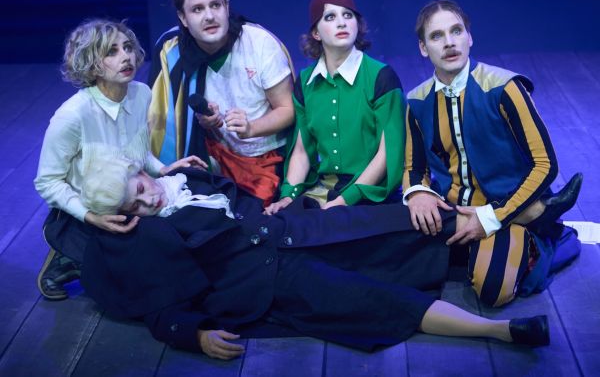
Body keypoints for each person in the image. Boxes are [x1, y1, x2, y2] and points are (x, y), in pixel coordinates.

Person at [79, 159, 550, 360]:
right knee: (371, 299)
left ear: (142, 172)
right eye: (134, 205)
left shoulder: (188, 179)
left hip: (294, 230)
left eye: (141, 188)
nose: (148, 201)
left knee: (395, 224)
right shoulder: (150, 234)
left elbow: (244, 203)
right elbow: (160, 304)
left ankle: (525, 217)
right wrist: (195, 336)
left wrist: (277, 206)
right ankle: (501, 330)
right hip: (271, 278)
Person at [403, 0, 582, 306]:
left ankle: (546, 235)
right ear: (423, 47)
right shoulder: (417, 101)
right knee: (399, 267)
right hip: (453, 212)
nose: (449, 42)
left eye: (456, 31)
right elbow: (414, 167)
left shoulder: (504, 87)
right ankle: (535, 216)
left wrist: (493, 216)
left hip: (504, 209)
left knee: (493, 289)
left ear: (469, 37)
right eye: (436, 36)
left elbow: (545, 164)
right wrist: (418, 193)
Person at [34, 19, 206, 300]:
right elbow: (47, 182)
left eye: (127, 47)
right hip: (90, 205)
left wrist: (163, 169)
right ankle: (68, 252)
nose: (126, 57)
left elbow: (137, 151)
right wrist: (90, 216)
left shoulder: (141, 94)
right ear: (91, 64)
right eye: (111, 52)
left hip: (132, 196)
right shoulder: (72, 115)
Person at [148, 0, 295, 205]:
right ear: (183, 18)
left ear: (226, 7)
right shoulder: (174, 53)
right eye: (197, 9)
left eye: (215, 5)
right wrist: (207, 123)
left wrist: (252, 128)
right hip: (211, 155)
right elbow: (171, 124)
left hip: (265, 159)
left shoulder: (259, 43)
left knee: (250, 215)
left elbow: (288, 109)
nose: (209, 16)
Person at [265, 0, 405, 215]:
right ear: (316, 33)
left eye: (348, 15)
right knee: (276, 224)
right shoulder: (306, 81)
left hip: (369, 192)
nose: (342, 23)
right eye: (330, 17)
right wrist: (288, 196)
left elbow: (388, 151)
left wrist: (344, 200)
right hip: (325, 190)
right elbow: (301, 150)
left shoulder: (381, 76)